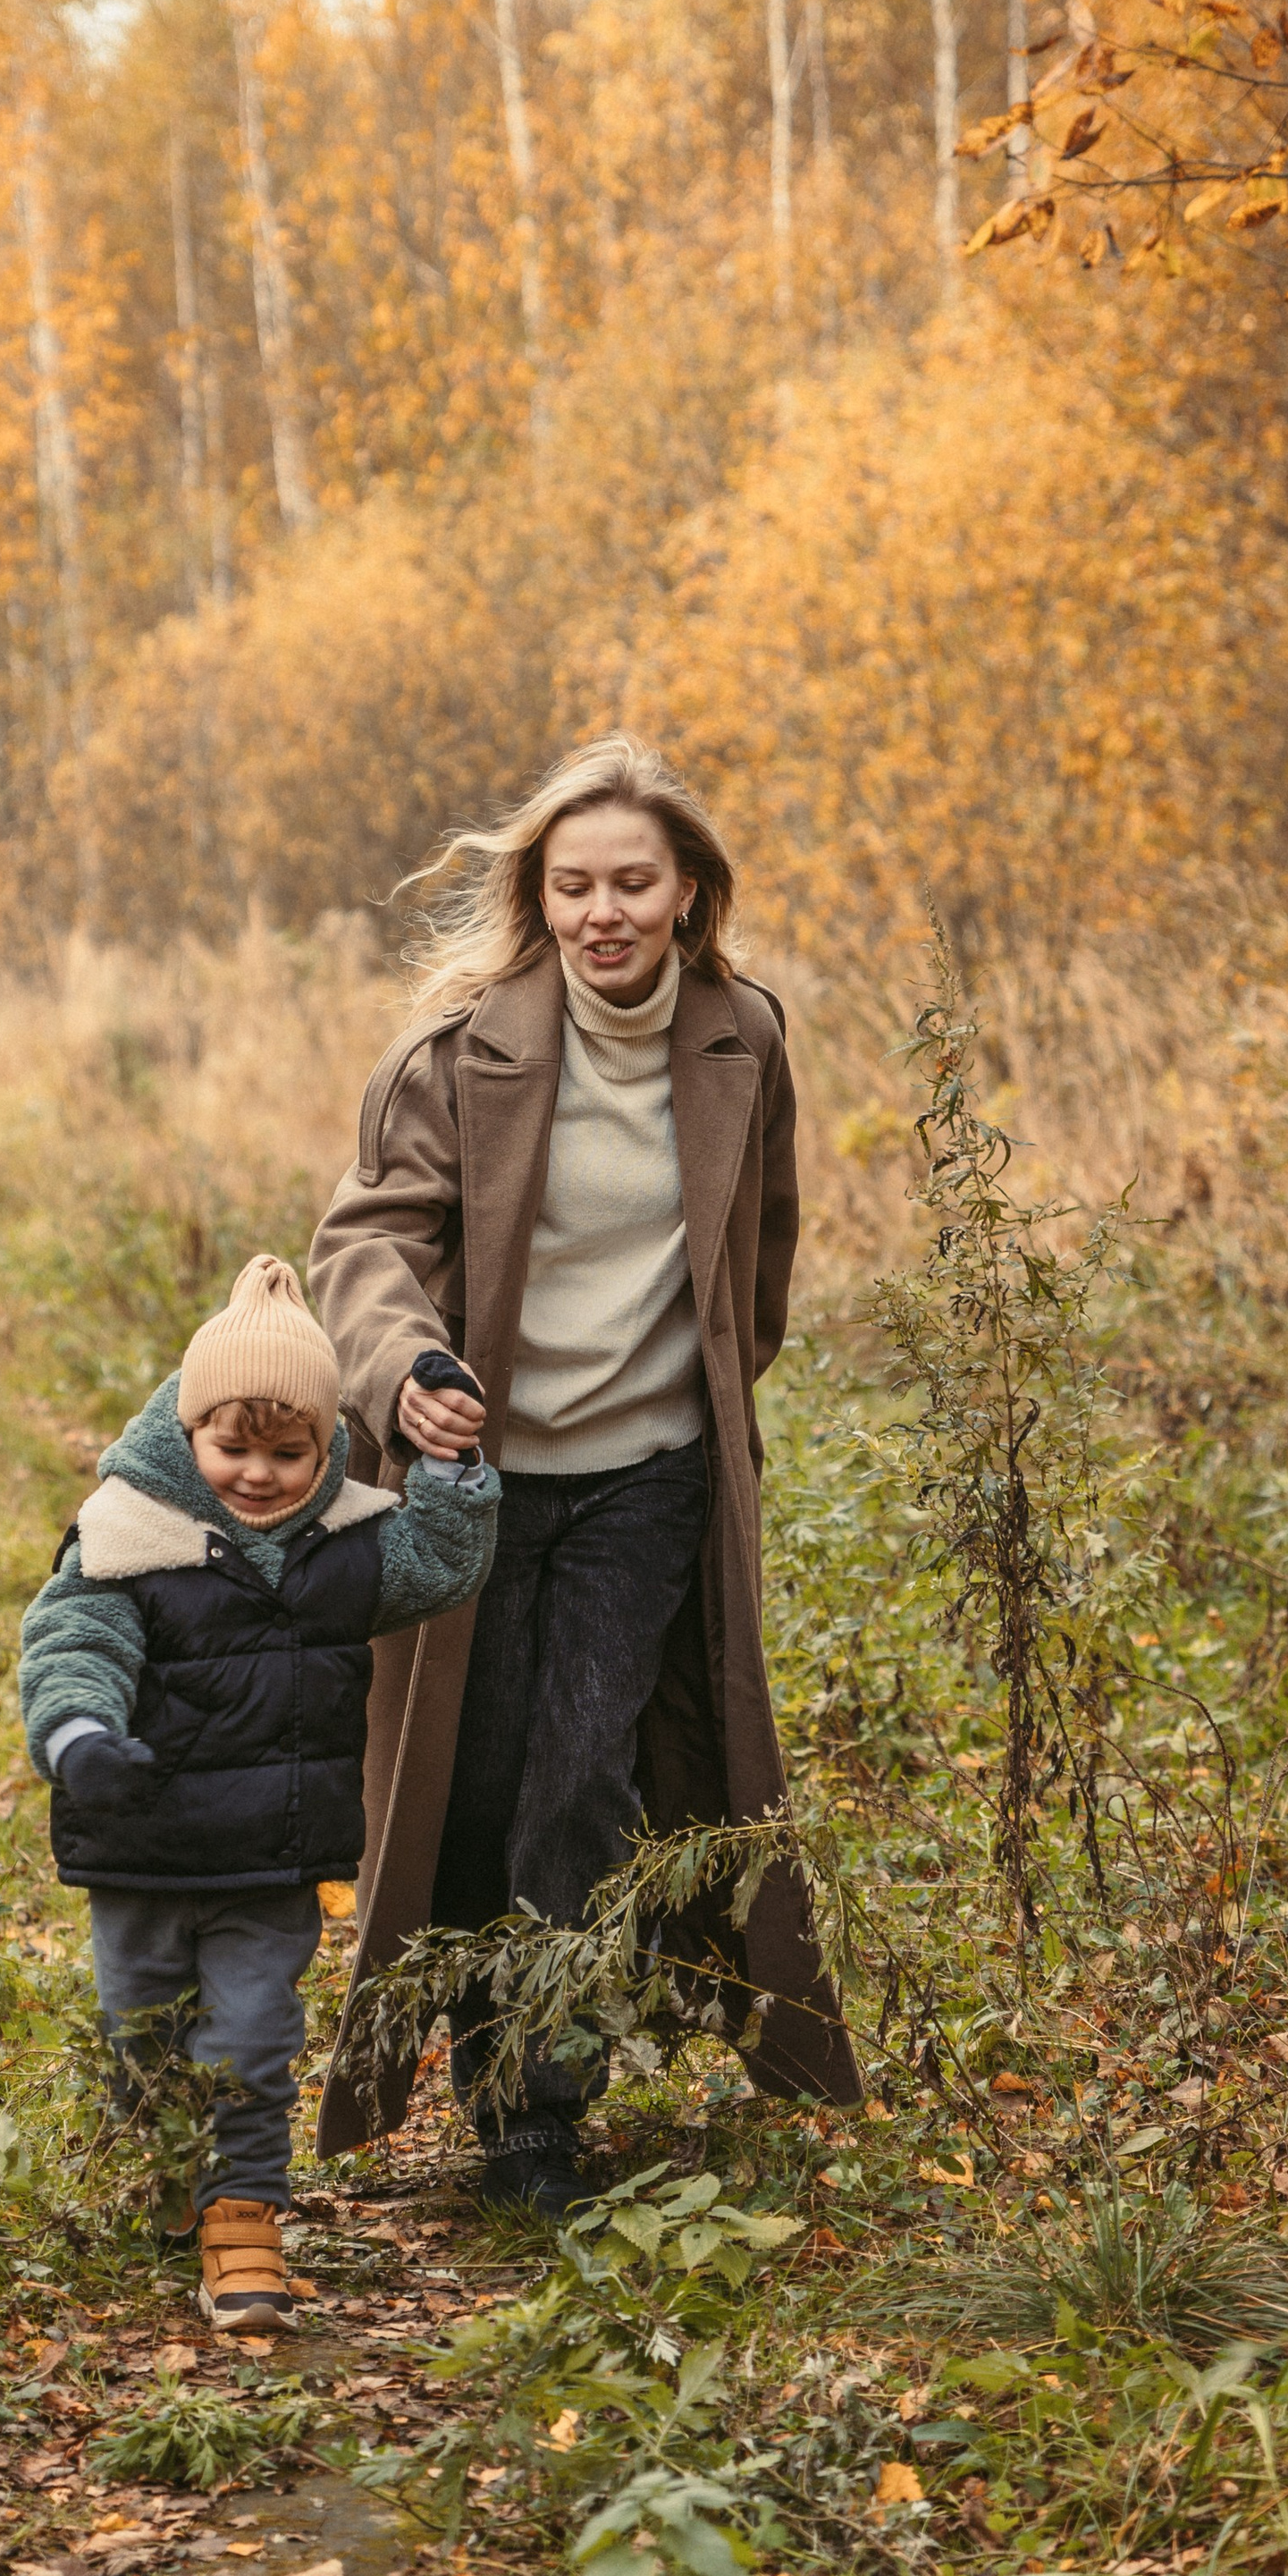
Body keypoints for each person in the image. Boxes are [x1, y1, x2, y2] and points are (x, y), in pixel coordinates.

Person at [307, 735, 862, 2217]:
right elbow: (365, 1246)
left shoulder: (746, 1039)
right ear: (539, 899)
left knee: (581, 1785)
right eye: (573, 886)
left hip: (645, 1484)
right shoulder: (456, 1056)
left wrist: (705, 1404)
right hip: (478, 1487)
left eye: (633, 882)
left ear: (687, 893)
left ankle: (539, 2109)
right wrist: (409, 1371)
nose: (603, 911)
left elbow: (768, 1252)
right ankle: (484, 2058)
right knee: (475, 1787)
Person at [17, 1254, 499, 2331]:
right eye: (233, 1448)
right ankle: (163, 2174)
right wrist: (81, 1737)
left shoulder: (341, 1545)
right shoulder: (128, 1537)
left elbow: (438, 1566)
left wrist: (453, 1475)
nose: (260, 1475)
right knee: (141, 2030)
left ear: (328, 1446)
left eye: (291, 1453)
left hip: (271, 1859)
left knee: (249, 2043)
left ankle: (243, 2218)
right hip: (137, 1846)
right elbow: (70, 1642)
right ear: (187, 1436)